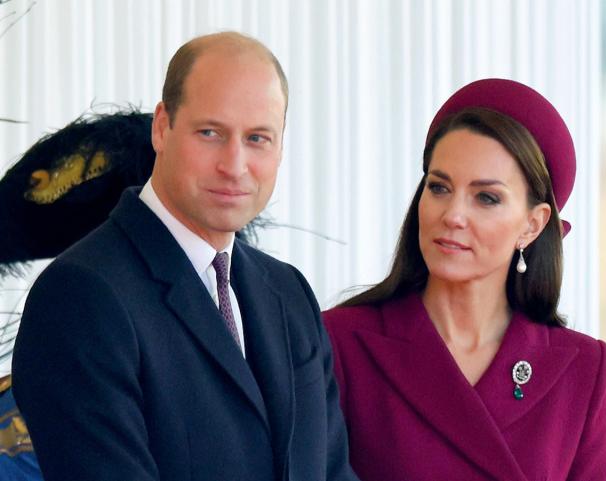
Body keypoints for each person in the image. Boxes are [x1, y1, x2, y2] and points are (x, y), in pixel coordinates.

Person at [12, 31, 358, 481]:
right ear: (162, 126)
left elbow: (332, 471)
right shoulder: (79, 297)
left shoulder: (288, 292)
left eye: (258, 138)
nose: (234, 165)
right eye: (210, 133)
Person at [323, 78, 606, 481]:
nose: (453, 215)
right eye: (439, 187)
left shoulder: (583, 369)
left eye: (486, 197)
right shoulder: (338, 343)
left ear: (532, 225)